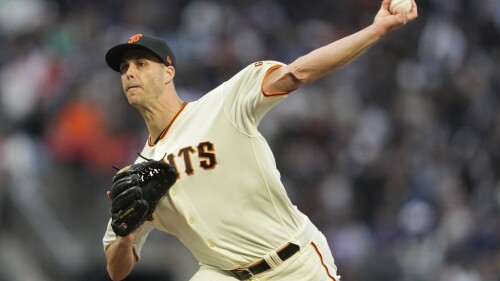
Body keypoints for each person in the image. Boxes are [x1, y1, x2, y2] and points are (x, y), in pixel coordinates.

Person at [102, 1, 418, 280]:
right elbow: (116, 270)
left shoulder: (223, 104)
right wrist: (125, 237)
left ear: (168, 73)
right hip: (225, 274)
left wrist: (376, 30)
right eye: (125, 68)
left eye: (141, 64)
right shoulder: (135, 177)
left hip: (293, 263)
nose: (130, 73)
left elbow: (298, 72)